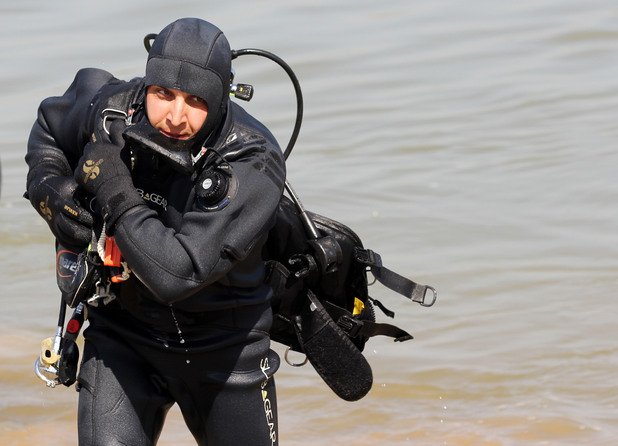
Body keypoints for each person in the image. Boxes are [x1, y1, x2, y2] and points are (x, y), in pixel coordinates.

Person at [25, 17, 285, 446]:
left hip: (227, 348)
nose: (175, 116)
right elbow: (49, 129)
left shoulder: (251, 160)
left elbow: (175, 275)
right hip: (123, 336)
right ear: (147, 84)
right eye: (163, 94)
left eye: (196, 100)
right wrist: (52, 195)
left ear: (222, 97)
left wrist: (113, 189)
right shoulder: (113, 110)